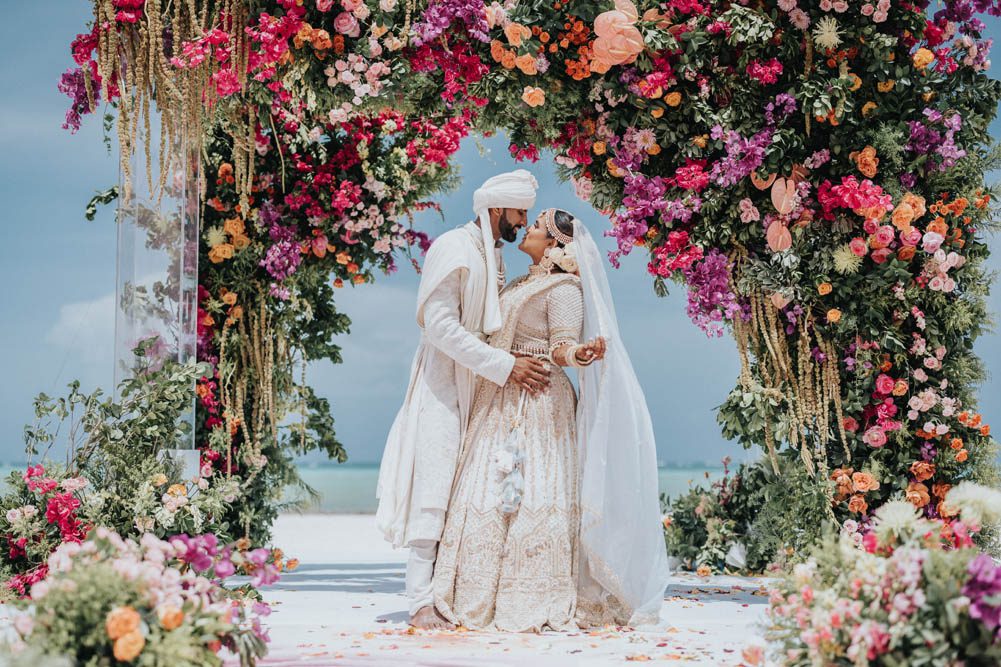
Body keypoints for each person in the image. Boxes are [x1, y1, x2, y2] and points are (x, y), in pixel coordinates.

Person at [432, 208, 670, 632]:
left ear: (557, 246)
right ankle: (477, 592)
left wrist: (580, 354)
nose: (528, 228)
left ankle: (531, 592)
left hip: (537, 399)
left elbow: (562, 346)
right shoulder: (521, 283)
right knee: (489, 490)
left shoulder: (564, 288)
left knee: (531, 492)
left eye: (537, 226)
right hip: (502, 394)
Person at [375, 170, 551, 630]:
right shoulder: (454, 248)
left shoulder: (493, 255)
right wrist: (505, 365)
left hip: (480, 385)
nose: (523, 222)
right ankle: (419, 600)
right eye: (520, 213)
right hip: (444, 382)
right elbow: (440, 327)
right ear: (498, 208)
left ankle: (448, 592)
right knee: (433, 485)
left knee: (464, 490)